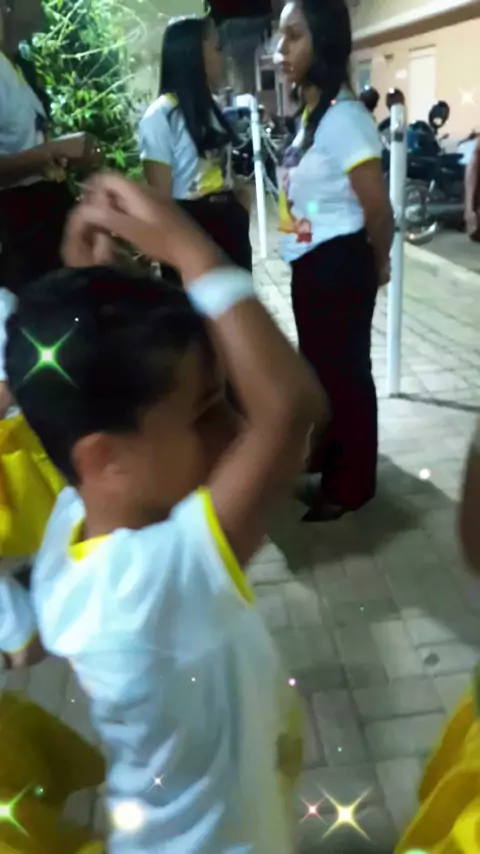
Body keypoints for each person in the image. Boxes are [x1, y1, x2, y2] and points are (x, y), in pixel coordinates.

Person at [7, 173, 328, 853]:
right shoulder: (151, 584)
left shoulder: (78, 523)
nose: (233, 430)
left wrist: (92, 284)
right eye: (205, 413)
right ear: (106, 459)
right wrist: (192, 251)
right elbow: (289, 411)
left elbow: (96, 393)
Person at [276, 0, 393, 521]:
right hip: (313, 263)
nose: (280, 50)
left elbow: (377, 209)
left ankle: (352, 485)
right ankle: (328, 458)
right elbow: (316, 200)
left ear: (323, 41)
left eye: (294, 36)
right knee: (322, 372)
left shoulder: (346, 119)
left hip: (340, 264)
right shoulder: (312, 116)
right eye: (281, 37)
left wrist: (377, 263)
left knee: (345, 377)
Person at [139, 14, 252, 279]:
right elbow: (162, 201)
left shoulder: (211, 109)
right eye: (217, 48)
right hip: (191, 234)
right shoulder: (160, 116)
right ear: (193, 55)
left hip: (230, 230)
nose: (223, 57)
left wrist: (239, 201)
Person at [0, 0, 99, 291]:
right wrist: (53, 151)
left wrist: (66, 155)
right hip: (19, 223)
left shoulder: (18, 65)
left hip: (48, 207)